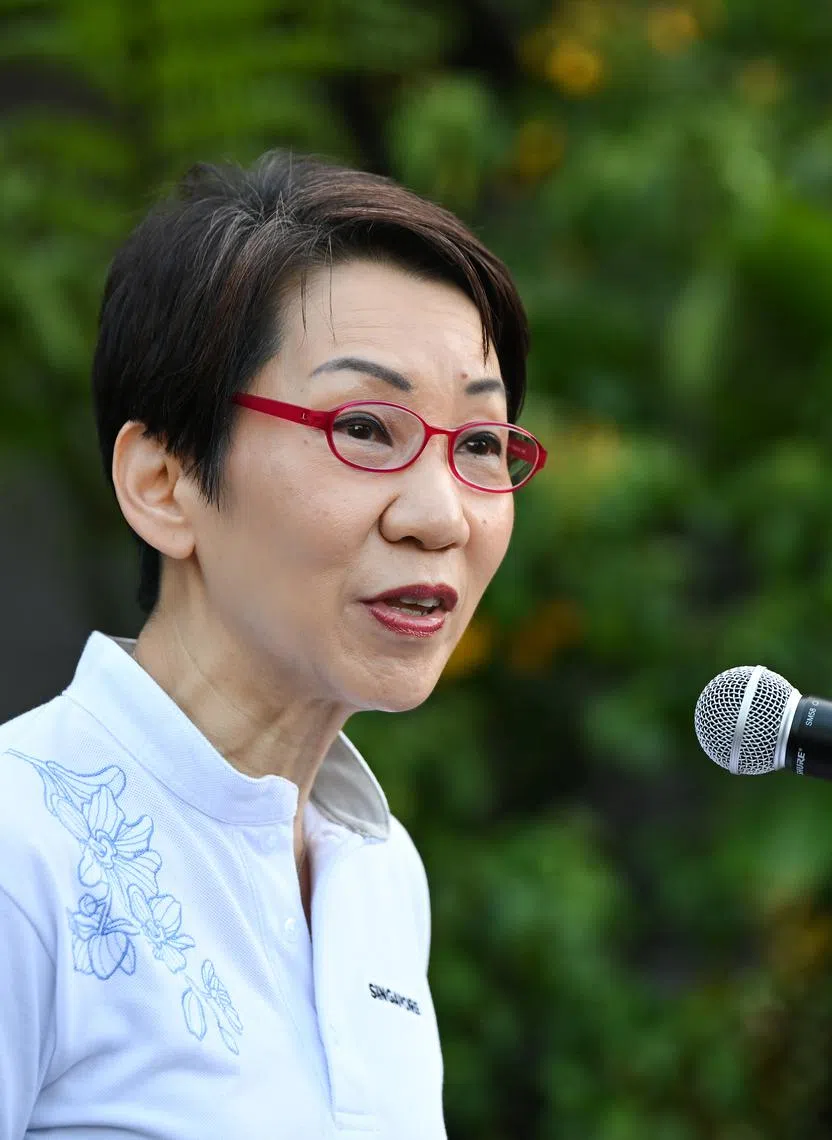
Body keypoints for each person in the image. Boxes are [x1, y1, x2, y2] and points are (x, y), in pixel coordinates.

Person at [0, 151, 546, 1139]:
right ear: (163, 483)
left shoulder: (377, 872)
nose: (441, 516)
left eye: (478, 443)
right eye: (366, 428)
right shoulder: (22, 850)